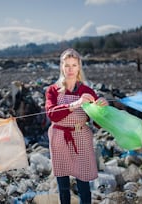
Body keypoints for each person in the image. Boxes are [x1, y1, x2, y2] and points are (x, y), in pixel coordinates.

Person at [45, 48, 108, 204]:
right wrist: (75, 104)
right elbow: (52, 114)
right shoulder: (52, 90)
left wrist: (102, 109)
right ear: (61, 67)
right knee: (63, 186)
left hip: (81, 137)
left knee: (83, 184)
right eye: (67, 65)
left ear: (79, 67)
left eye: (74, 65)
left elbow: (98, 123)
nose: (70, 69)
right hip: (59, 138)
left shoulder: (87, 91)